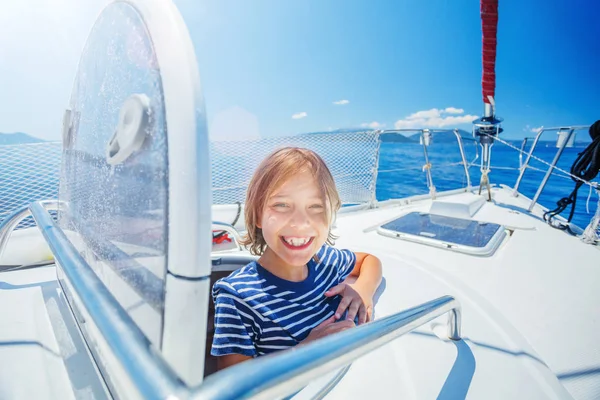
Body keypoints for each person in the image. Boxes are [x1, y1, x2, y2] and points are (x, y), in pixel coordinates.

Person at [211, 147, 383, 370]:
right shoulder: (236, 298)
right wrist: (302, 351)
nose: (300, 223)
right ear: (257, 214)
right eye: (282, 205)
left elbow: (370, 261)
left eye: (316, 207)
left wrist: (362, 289)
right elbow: (232, 380)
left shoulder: (326, 261)